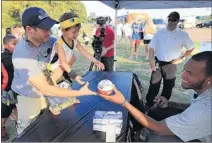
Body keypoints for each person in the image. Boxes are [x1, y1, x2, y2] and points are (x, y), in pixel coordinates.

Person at [11, 7, 97, 135]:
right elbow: (45, 88)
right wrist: (78, 92)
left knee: (50, 128)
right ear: (29, 29)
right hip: (28, 95)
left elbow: (70, 54)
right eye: (45, 29)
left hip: (48, 90)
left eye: (50, 27)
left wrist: (64, 66)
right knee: (28, 131)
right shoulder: (22, 55)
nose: (50, 31)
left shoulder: (49, 40)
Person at [99, 51, 212, 142]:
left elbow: (159, 129)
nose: (183, 75)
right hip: (201, 129)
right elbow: (193, 106)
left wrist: (123, 102)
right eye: (184, 69)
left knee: (156, 138)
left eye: (190, 73)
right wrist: (170, 104)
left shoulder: (205, 110)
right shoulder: (205, 92)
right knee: (156, 111)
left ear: (209, 80)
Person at [47, 12, 104, 114]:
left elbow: (84, 52)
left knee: (67, 83)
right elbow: (63, 63)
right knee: (55, 90)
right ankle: (53, 106)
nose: (76, 34)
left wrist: (96, 61)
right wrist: (76, 76)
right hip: (53, 72)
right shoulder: (59, 44)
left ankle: (71, 98)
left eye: (77, 31)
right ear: (64, 30)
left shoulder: (75, 41)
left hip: (64, 69)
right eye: (74, 32)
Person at [145, 12, 195, 108]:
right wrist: (151, 62)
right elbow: (151, 48)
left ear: (178, 21)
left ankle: (162, 104)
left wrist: (182, 58)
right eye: (169, 19)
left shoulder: (183, 34)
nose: (171, 22)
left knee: (168, 86)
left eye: (174, 20)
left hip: (171, 64)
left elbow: (191, 48)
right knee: (154, 84)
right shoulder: (160, 33)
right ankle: (149, 104)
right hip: (158, 63)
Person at [1, 35, 18, 141]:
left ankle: (19, 124)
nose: (16, 46)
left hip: (17, 88)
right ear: (6, 45)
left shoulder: (15, 55)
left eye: (17, 44)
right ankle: (1, 127)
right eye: (14, 44)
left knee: (17, 107)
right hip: (7, 89)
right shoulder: (4, 58)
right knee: (6, 111)